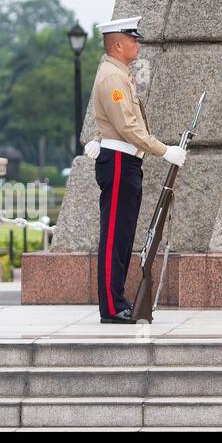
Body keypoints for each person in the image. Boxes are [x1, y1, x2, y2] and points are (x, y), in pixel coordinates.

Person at [82, 18, 187, 325]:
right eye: (133, 39)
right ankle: (112, 307)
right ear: (118, 45)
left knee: (123, 236)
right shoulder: (113, 78)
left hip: (124, 161)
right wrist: (164, 150)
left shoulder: (119, 75)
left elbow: (119, 121)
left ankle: (117, 302)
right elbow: (128, 126)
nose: (138, 44)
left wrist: (101, 138)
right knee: (115, 237)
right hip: (118, 163)